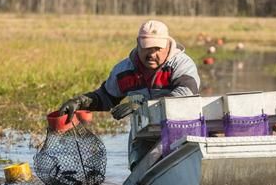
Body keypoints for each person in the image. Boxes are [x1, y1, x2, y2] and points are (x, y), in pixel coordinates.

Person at [57, 20, 200, 168]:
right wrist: (80, 102)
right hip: (144, 134)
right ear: (138, 44)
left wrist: (143, 107)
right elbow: (106, 97)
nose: (152, 54)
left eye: (157, 49)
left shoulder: (181, 64)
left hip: (181, 129)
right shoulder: (124, 70)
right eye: (147, 48)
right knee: (138, 167)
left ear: (167, 45)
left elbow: (186, 94)